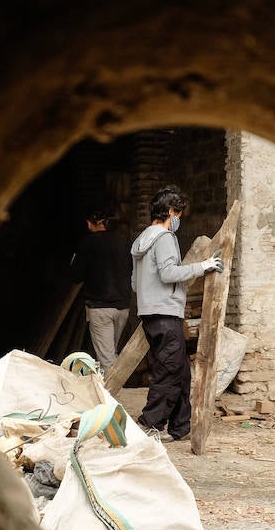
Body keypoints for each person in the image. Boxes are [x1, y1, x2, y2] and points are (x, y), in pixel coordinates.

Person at [130, 185, 224, 442]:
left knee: (181, 370)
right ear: (171, 211)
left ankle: (181, 426)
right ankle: (150, 423)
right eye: (179, 214)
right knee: (168, 372)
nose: (179, 220)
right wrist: (203, 266)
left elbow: (135, 284)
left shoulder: (141, 240)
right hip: (166, 314)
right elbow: (169, 273)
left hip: (150, 312)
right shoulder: (165, 239)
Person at [68, 205, 132, 373]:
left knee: (107, 359)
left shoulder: (87, 243)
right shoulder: (123, 242)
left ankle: (112, 396)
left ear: (90, 224)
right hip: (123, 308)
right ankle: (113, 390)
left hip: (100, 308)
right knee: (111, 354)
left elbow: (76, 276)